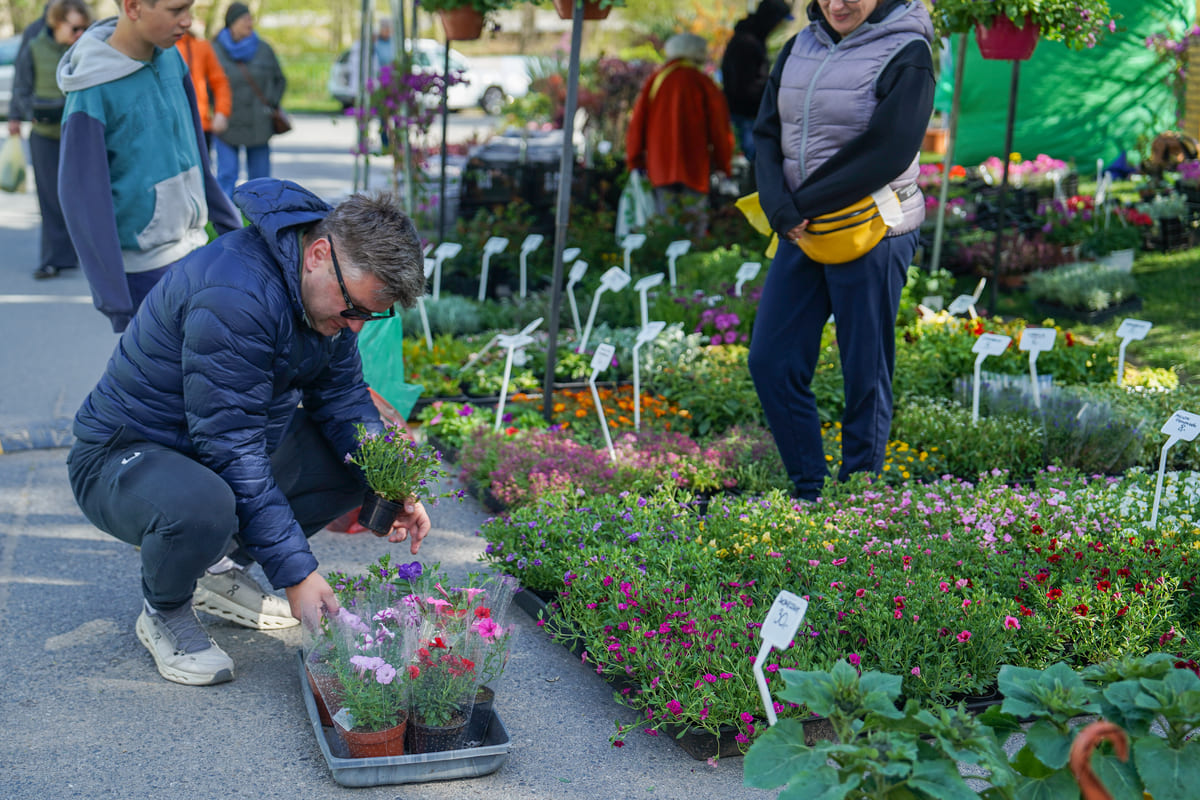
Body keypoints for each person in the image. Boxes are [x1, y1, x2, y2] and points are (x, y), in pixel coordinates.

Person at [66, 177, 432, 687]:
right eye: (354, 310)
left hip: (206, 453)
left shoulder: (326, 296)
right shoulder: (235, 294)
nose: (356, 327)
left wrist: (392, 482)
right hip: (120, 458)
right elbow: (232, 449)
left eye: (370, 315)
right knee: (202, 506)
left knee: (354, 463)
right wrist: (297, 574)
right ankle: (164, 609)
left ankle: (211, 568)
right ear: (318, 255)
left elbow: (344, 401)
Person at [747, 0, 935, 502]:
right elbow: (766, 131)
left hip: (873, 227)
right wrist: (777, 204)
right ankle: (810, 488)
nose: (838, 4)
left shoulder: (908, 51)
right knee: (771, 360)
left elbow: (889, 149)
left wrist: (799, 206)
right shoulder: (798, 46)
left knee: (864, 369)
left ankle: (858, 500)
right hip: (801, 229)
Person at [56, 0, 241, 334]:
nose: (187, 21)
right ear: (133, 7)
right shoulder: (91, 92)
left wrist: (231, 230)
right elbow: (82, 201)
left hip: (197, 250)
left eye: (190, 8)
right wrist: (115, 300)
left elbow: (199, 159)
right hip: (146, 272)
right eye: (176, 10)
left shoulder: (173, 58)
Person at [7, 0, 90, 280]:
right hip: (44, 134)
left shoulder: (87, 46)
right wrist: (24, 114)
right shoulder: (34, 38)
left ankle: (80, 254)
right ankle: (53, 259)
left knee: (79, 196)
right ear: (57, 22)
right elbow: (21, 83)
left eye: (84, 28)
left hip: (79, 134)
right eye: (75, 28)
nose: (80, 33)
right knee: (50, 198)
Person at [625, 32, 733, 237]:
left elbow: (637, 124)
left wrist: (635, 160)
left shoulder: (657, 80)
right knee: (695, 226)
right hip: (694, 168)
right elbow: (720, 129)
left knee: (665, 226)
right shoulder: (703, 82)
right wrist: (723, 165)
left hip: (660, 167)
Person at [213, 2, 286, 199]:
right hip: (227, 123)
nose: (249, 23)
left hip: (258, 124)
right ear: (232, 22)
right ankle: (226, 216)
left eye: (250, 19)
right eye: (244, 19)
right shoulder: (214, 50)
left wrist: (271, 103)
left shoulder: (264, 49)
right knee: (226, 175)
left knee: (261, 180)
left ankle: (260, 214)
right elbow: (205, 83)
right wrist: (214, 111)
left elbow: (280, 79)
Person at [719, 0, 792, 164]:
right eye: (779, 22)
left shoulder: (753, 38)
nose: (779, 27)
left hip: (748, 111)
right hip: (746, 113)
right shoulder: (747, 42)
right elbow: (744, 84)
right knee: (756, 161)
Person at [178, 27, 232, 154]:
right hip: (169, 127)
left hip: (200, 124)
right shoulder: (157, 48)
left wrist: (221, 112)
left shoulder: (201, 46)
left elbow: (219, 82)